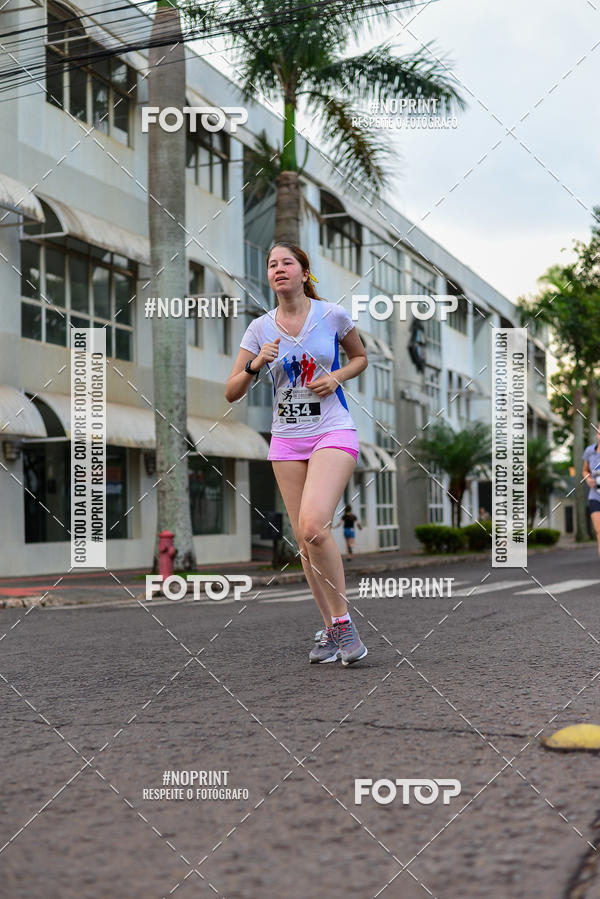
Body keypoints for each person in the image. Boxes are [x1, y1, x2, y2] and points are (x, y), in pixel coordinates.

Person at [225, 242, 369, 666]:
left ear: (304, 273)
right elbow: (231, 391)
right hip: (287, 440)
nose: (278, 268)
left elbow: (360, 357)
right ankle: (332, 630)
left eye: (287, 262)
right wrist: (255, 364)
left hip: (332, 430)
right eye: (272, 264)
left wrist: (336, 377)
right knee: (305, 543)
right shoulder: (258, 329)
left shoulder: (332, 315)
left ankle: (344, 625)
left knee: (313, 526)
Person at [582, 423, 600, 556]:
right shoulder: (590, 451)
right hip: (595, 496)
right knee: (599, 531)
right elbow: (585, 470)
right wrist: (588, 478)